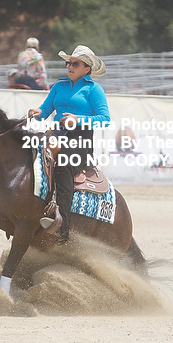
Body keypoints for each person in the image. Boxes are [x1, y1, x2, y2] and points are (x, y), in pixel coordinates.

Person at [28, 45, 109, 244]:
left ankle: (62, 226)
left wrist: (78, 119)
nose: (70, 67)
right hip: (56, 134)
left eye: (75, 64)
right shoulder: (59, 86)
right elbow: (45, 110)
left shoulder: (94, 89)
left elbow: (104, 119)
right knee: (25, 152)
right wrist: (38, 113)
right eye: (68, 63)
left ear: (87, 68)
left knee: (63, 164)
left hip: (80, 139)